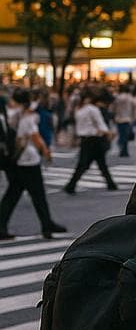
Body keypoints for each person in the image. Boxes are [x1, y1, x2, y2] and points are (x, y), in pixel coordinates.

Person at [0, 89, 66, 240]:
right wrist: (45, 150)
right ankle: (46, 225)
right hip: (28, 159)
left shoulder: (11, 114)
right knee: (38, 195)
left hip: (16, 160)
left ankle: (2, 226)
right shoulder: (26, 117)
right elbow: (34, 136)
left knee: (12, 195)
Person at [63, 88, 117, 193]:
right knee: (95, 163)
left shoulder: (79, 109)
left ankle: (71, 185)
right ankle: (110, 184)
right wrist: (108, 133)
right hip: (95, 139)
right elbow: (100, 123)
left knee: (89, 163)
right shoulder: (92, 109)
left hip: (85, 139)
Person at [111, 85, 136, 158]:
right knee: (125, 135)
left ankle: (122, 148)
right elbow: (134, 106)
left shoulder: (117, 97)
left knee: (121, 134)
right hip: (128, 118)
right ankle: (124, 150)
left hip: (119, 118)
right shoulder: (130, 97)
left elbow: (113, 108)